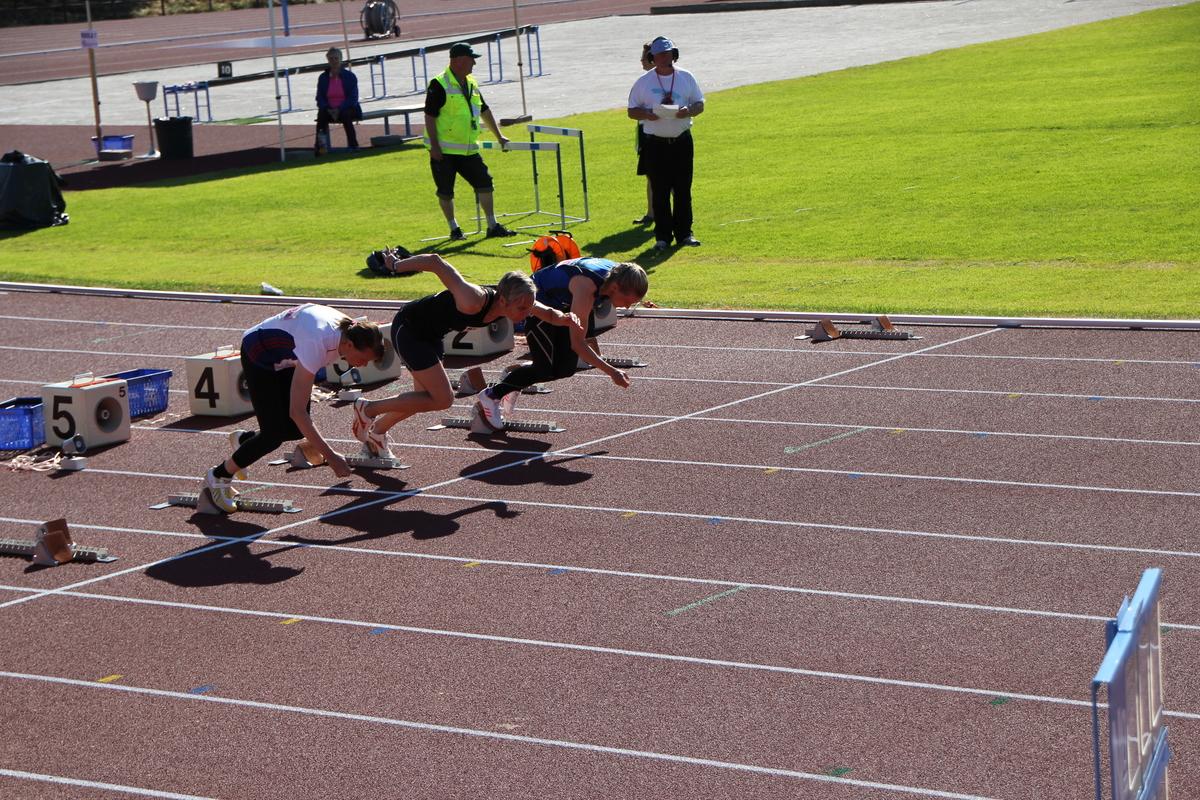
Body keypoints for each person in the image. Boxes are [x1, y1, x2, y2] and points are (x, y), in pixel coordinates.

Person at [350, 253, 584, 455]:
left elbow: (549, 314)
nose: (526, 313)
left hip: (431, 336)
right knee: (442, 399)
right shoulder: (472, 299)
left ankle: (377, 432)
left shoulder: (519, 300)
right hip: (410, 329)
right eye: (522, 309)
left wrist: (567, 318)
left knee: (422, 399)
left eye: (528, 307)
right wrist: (394, 266)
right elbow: (435, 262)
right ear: (503, 300)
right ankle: (368, 409)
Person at [202, 305, 384, 513]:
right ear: (350, 345)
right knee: (273, 436)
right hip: (259, 354)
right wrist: (331, 456)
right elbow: (297, 412)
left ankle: (245, 441)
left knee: (295, 430)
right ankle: (218, 476)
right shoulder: (318, 342)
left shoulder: (350, 332)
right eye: (363, 359)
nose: (363, 365)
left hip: (287, 357)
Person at [475, 257, 649, 430]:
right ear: (615, 287)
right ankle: (491, 395)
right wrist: (612, 372)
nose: (628, 307)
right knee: (545, 369)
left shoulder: (619, 274)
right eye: (628, 301)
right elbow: (578, 344)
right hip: (540, 305)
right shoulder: (586, 288)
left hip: (565, 306)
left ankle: (516, 377)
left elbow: (583, 333)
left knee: (565, 369)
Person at [423, 42, 516, 241]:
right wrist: (435, 146)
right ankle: (454, 228)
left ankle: (492, 225)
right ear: (458, 61)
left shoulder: (471, 83)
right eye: (471, 59)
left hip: (468, 149)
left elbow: (484, 110)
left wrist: (499, 136)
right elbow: (429, 116)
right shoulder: (438, 84)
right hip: (445, 151)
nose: (474, 63)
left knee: (485, 183)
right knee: (446, 192)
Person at [627, 35, 705, 251]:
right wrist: (647, 114)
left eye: (668, 54)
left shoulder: (686, 77)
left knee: (683, 190)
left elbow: (700, 104)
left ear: (674, 55)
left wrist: (688, 111)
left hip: (681, 142)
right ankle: (662, 237)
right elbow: (631, 111)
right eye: (660, 54)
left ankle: (685, 234)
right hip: (655, 144)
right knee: (660, 192)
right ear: (653, 58)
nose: (664, 58)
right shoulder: (643, 82)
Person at [315, 48, 361, 154]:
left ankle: (353, 145)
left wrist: (339, 109)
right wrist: (327, 108)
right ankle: (320, 147)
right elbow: (319, 97)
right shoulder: (323, 77)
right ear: (328, 60)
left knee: (345, 115)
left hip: (347, 108)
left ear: (341, 59)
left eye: (336, 58)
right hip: (329, 109)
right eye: (331, 58)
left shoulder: (350, 76)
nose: (334, 61)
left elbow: (353, 98)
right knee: (321, 116)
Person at [633, 42, 656, 226]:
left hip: (654, 132)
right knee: (650, 174)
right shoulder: (643, 82)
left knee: (665, 175)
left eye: (643, 57)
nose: (641, 61)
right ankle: (651, 213)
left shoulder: (657, 81)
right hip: (644, 131)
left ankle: (677, 212)